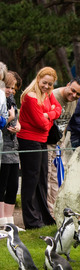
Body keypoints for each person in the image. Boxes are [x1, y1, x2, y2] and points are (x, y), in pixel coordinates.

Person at [17, 66, 62, 230]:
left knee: (43, 177)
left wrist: (48, 114)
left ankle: (43, 216)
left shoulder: (48, 94)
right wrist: (49, 116)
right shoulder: (30, 97)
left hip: (42, 141)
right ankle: (31, 220)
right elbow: (42, 125)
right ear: (38, 79)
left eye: (50, 84)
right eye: (44, 83)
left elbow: (59, 109)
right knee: (31, 179)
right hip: (29, 141)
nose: (47, 87)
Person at [47, 76, 80, 217]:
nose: (74, 95)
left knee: (57, 178)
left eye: (78, 94)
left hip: (59, 143)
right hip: (47, 143)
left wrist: (62, 142)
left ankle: (54, 211)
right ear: (68, 84)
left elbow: (65, 123)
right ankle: (46, 212)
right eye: (73, 90)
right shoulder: (54, 96)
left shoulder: (73, 102)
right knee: (47, 176)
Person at [0, 72, 21, 226]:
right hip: (3, 147)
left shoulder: (12, 101)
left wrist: (18, 125)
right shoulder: (2, 101)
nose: (11, 91)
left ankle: (9, 221)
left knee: (13, 184)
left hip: (13, 147)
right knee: (2, 183)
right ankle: (1, 220)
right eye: (8, 87)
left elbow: (17, 119)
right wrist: (9, 119)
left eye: (13, 88)